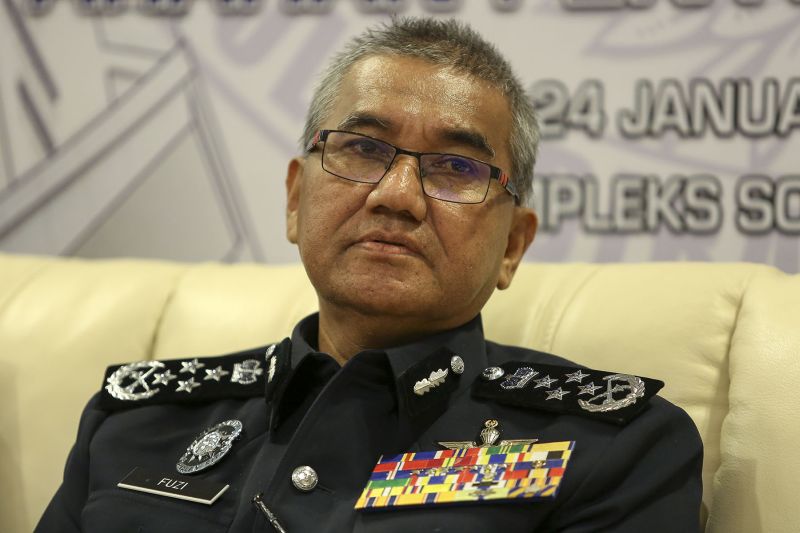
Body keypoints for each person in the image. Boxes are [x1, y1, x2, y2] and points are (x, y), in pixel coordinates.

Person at [37, 17, 702, 532]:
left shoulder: (613, 447)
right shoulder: (134, 420)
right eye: (361, 148)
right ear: (296, 199)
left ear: (513, 245)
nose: (397, 194)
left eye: (456, 168)